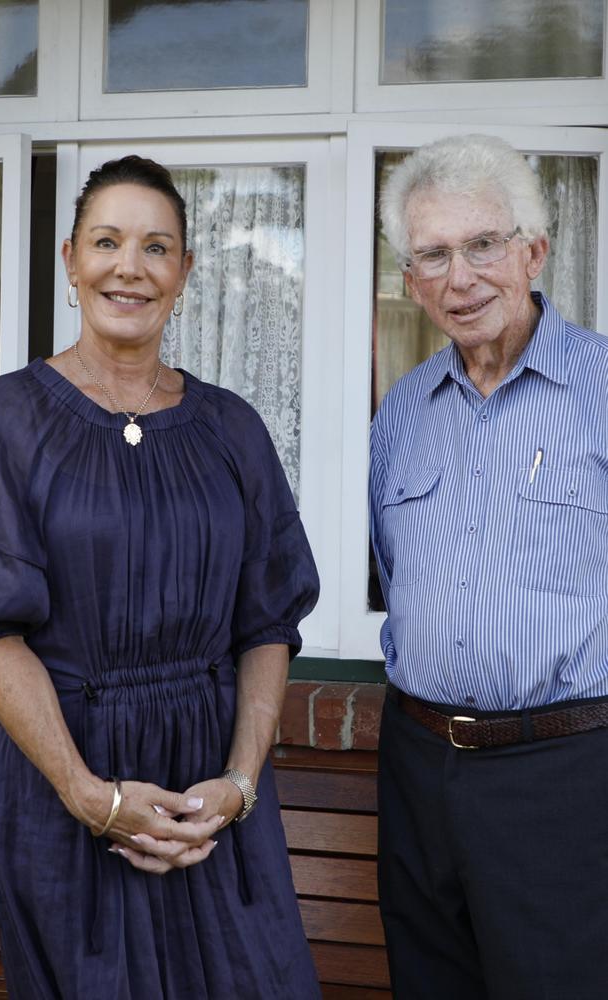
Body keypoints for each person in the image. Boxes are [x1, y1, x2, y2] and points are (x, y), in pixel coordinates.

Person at [0, 155, 321, 999]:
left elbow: (268, 619)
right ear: (70, 259)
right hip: (65, 790)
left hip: (211, 795)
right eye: (107, 241)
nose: (131, 266)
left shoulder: (232, 427)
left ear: (186, 272)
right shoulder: (3, 420)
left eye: (157, 247)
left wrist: (238, 783)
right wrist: (92, 796)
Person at [370, 133, 608, 1000]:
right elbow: (393, 570)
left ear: (534, 250)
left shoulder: (603, 392)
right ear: (410, 279)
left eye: (483, 244)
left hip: (568, 777)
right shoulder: (401, 413)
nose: (461, 277)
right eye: (433, 254)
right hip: (419, 768)